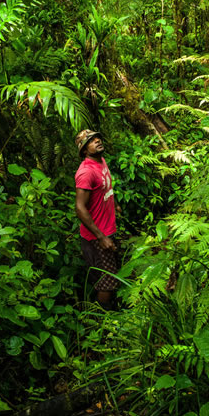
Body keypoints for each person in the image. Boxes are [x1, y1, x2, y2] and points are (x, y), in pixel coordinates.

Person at [74, 129, 121, 309]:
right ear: (84, 150)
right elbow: (80, 208)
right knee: (107, 283)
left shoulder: (100, 161)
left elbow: (104, 188)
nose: (97, 141)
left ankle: (109, 309)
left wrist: (114, 204)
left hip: (108, 230)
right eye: (91, 141)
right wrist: (101, 237)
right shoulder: (86, 172)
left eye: (97, 138)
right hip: (97, 238)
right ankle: (102, 320)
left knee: (111, 274)